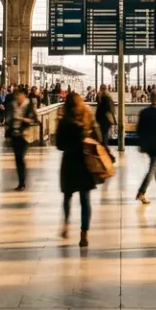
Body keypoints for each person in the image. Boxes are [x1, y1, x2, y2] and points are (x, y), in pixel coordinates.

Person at [57, 93, 103, 247]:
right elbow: (99, 138)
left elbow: (59, 145)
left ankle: (66, 224)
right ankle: (84, 233)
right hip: (85, 162)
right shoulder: (87, 117)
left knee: (67, 196)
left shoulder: (64, 121)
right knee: (85, 200)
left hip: (69, 162)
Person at [7, 89, 35, 190]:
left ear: (24, 96)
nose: (18, 99)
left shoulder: (28, 105)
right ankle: (21, 182)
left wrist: (22, 119)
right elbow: (9, 117)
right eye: (17, 97)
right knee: (18, 158)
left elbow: (34, 119)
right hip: (14, 134)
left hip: (24, 135)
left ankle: (22, 181)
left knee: (20, 157)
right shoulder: (12, 105)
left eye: (20, 96)